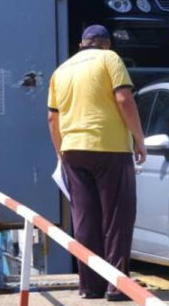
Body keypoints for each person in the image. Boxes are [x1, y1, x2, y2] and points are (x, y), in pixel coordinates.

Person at [47, 24, 147, 301]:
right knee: (116, 218)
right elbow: (124, 98)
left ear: (81, 45)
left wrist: (60, 152)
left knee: (85, 218)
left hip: (72, 151)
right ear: (107, 43)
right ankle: (117, 287)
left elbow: (52, 118)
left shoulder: (61, 71)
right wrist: (139, 139)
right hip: (111, 148)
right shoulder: (110, 59)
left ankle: (90, 286)